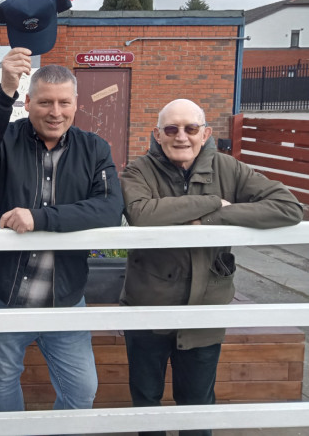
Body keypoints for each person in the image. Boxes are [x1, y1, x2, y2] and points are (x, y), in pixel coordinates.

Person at [119, 98, 303, 436]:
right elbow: (142, 214)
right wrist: (210, 201)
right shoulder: (138, 170)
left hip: (205, 309)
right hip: (148, 307)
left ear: (205, 134)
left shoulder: (229, 168)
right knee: (146, 403)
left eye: (190, 129)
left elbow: (287, 208)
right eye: (171, 129)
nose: (181, 137)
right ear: (158, 135)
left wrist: (214, 217)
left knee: (198, 406)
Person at [0, 53, 124, 412]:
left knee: (82, 390)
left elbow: (111, 208)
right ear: (28, 102)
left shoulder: (93, 148)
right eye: (46, 102)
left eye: (64, 102)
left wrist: (41, 218)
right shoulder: (7, 139)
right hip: (1, 289)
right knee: (5, 376)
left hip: (63, 294)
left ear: (76, 104)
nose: (55, 112)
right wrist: (4, 91)